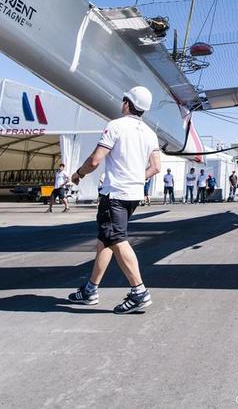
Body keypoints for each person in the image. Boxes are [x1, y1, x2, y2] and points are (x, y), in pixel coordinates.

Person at [68, 85, 161, 314]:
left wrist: (78, 174)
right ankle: (90, 290)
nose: (122, 103)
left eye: (124, 100)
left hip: (115, 194)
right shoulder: (150, 133)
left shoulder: (116, 126)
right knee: (106, 240)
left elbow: (95, 160)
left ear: (128, 103)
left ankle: (139, 292)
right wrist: (136, 178)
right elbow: (156, 167)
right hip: (133, 195)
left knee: (117, 239)